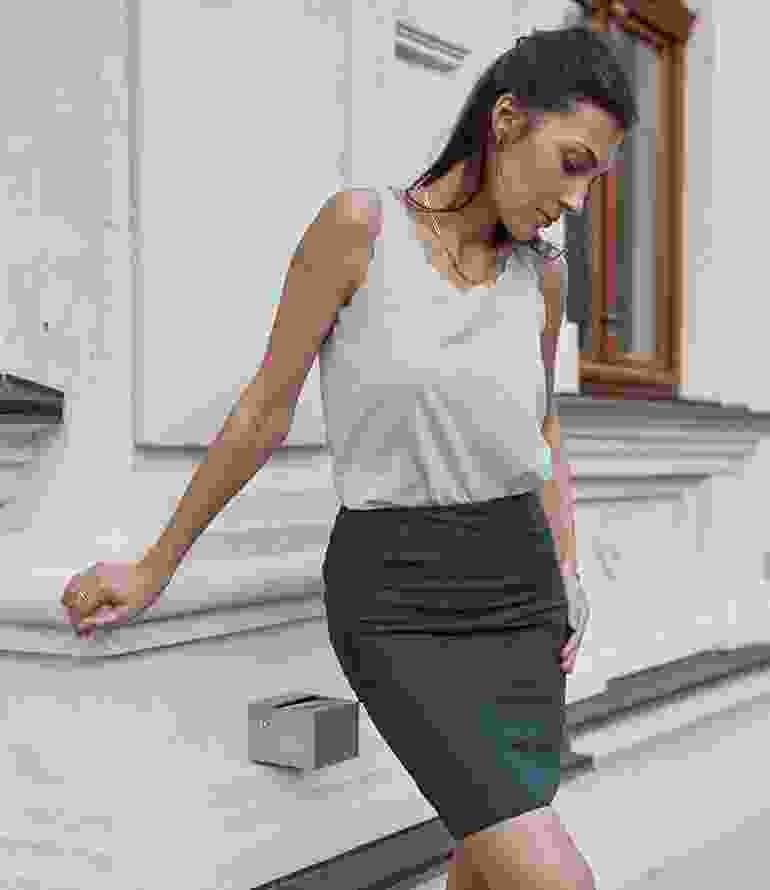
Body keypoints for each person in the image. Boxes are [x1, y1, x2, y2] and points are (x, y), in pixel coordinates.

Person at [62, 22, 637, 890]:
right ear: (507, 121)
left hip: (522, 597)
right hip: (398, 603)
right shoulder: (361, 229)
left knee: (490, 860)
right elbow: (263, 411)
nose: (579, 201)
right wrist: (152, 569)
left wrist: (569, 566)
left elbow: (542, 428)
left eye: (595, 177)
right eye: (574, 163)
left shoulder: (542, 276)